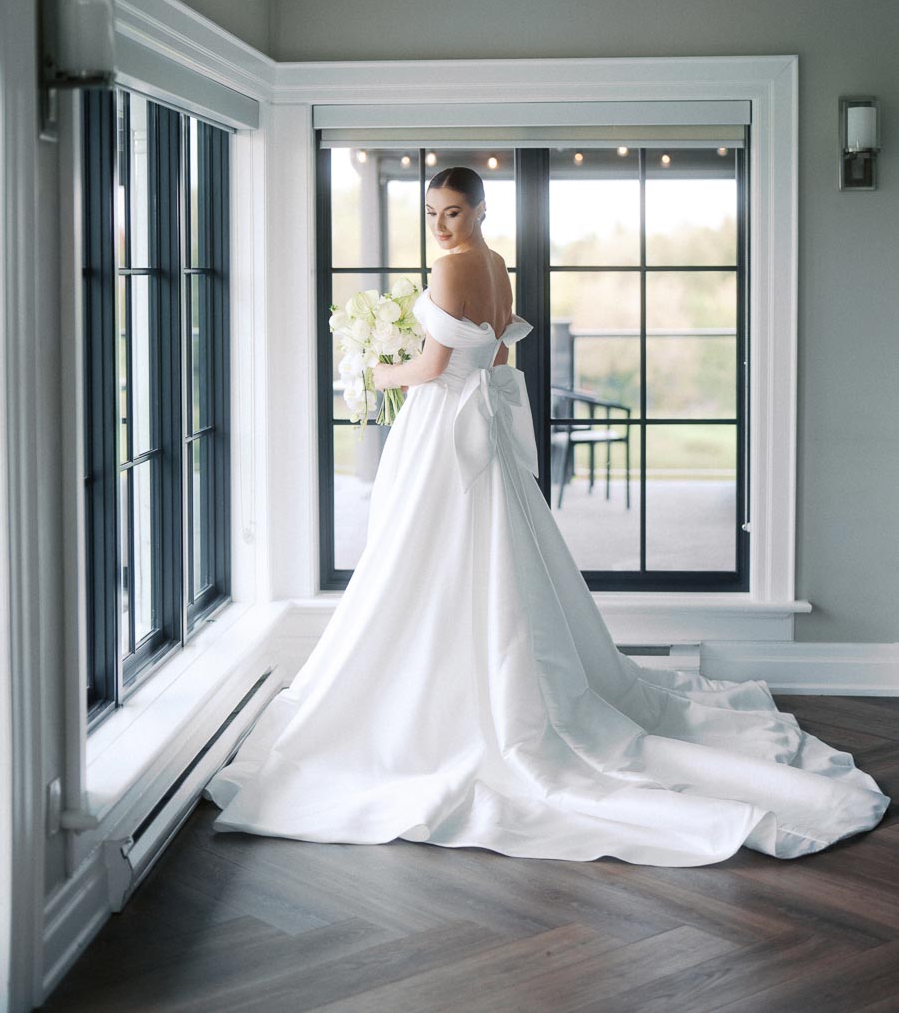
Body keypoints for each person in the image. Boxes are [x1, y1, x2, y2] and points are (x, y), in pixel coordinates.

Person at [203, 166, 890, 865]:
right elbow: (499, 351)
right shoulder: (497, 265)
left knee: (427, 551)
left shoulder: (451, 271)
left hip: (444, 428)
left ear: (479, 209)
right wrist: (423, 362)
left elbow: (435, 363)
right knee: (474, 553)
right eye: (434, 213)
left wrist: (373, 371)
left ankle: (444, 709)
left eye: (454, 213)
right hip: (480, 427)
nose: (442, 226)